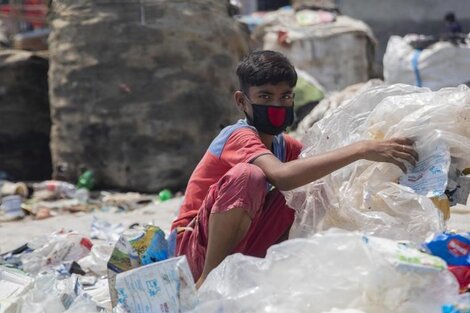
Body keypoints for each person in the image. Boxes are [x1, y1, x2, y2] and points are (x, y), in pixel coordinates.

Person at [171, 50, 418, 288]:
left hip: (243, 245)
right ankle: (207, 282)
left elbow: (325, 168)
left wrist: (390, 168)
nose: (277, 105)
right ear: (241, 101)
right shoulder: (238, 136)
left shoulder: (283, 145)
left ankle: (272, 271)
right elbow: (283, 177)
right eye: (265, 97)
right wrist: (361, 148)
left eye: (285, 97)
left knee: (316, 183)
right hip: (192, 250)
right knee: (249, 176)